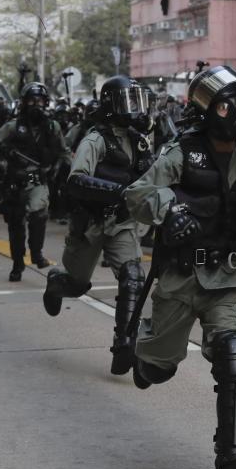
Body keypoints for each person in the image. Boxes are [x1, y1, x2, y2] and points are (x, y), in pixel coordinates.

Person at [123, 64, 236, 469]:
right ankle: (147, 356)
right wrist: (170, 210)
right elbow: (138, 194)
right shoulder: (182, 150)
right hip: (181, 278)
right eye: (229, 104)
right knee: (157, 369)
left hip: (228, 276)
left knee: (235, 352)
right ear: (210, 111)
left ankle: (232, 458)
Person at [41, 75, 155, 376]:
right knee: (77, 285)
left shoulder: (139, 140)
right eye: (128, 101)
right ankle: (55, 285)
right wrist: (118, 191)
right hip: (91, 223)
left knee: (133, 278)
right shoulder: (95, 139)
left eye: (137, 100)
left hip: (123, 223)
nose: (135, 108)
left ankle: (125, 343)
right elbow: (76, 180)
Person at [0, 82, 67, 281]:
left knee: (39, 214)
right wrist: (8, 153)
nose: (36, 105)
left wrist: (76, 173)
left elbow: (63, 152)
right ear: (24, 103)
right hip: (15, 182)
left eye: (40, 101)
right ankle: (17, 263)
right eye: (32, 101)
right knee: (15, 224)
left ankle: (37, 253)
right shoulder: (14, 126)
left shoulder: (52, 126)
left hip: (38, 181)